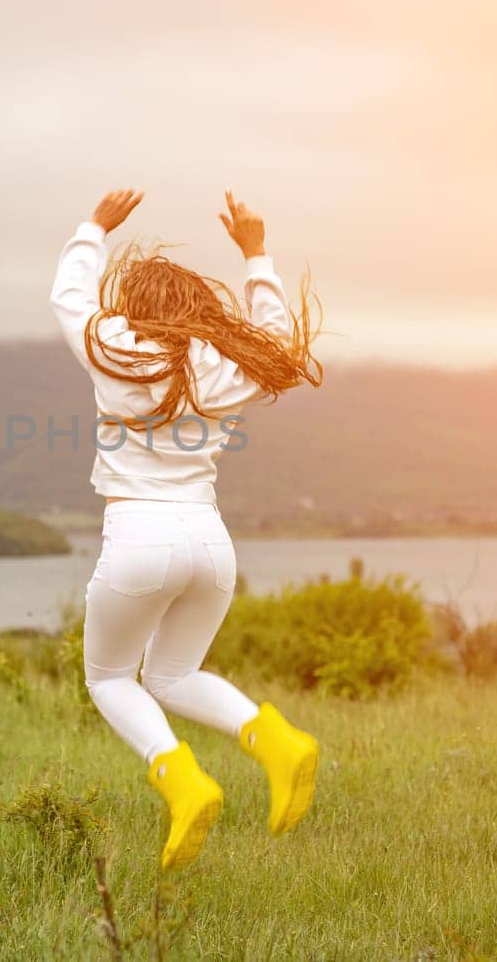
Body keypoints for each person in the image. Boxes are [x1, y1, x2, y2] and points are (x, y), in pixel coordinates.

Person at [49, 188, 323, 872]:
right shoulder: (226, 366)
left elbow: (68, 295)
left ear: (134, 306)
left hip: (139, 538)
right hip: (210, 543)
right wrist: (256, 253)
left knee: (111, 677)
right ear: (197, 307)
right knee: (172, 674)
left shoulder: (115, 347)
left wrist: (94, 228)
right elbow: (281, 344)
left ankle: (181, 777)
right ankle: (276, 740)